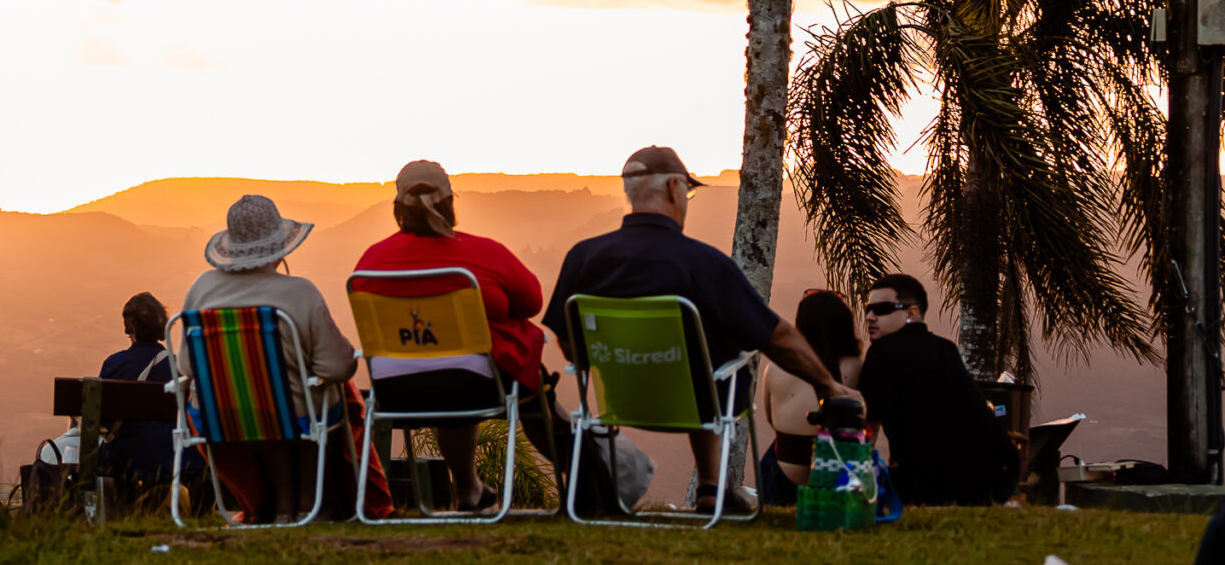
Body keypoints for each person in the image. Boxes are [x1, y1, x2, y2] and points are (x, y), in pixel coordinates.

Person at [546, 147, 857, 515]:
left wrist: (614, 359)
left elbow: (566, 341)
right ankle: (712, 485)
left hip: (618, 398)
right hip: (695, 402)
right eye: (688, 192)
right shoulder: (703, 262)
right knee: (720, 362)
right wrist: (829, 387)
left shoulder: (583, 257)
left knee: (701, 359)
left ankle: (709, 489)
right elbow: (777, 336)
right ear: (675, 188)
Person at [353, 160, 554, 512]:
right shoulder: (483, 253)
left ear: (398, 209)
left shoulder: (371, 262)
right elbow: (532, 302)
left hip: (396, 390)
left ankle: (469, 491)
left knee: (451, 369)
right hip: (473, 386)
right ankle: (583, 482)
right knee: (475, 367)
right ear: (449, 202)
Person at [181, 194, 391, 521]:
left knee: (270, 408)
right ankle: (311, 504)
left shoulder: (201, 290)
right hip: (293, 415)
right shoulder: (299, 292)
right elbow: (338, 366)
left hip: (221, 415)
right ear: (280, 251)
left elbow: (185, 367)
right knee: (324, 397)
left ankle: (277, 506)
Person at [855, 273, 1019, 506]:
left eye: (881, 309)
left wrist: (852, 483)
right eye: (867, 308)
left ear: (911, 313)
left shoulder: (882, 353)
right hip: (997, 474)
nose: (870, 317)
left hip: (939, 485)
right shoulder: (945, 348)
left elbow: (868, 430)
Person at [759, 291, 864, 505]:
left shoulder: (776, 368)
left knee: (776, 445)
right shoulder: (857, 367)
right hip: (839, 471)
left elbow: (771, 420)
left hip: (785, 478)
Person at [94, 293, 176, 495]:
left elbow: (102, 420)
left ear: (128, 327)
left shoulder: (114, 364)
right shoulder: (178, 366)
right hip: (169, 458)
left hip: (122, 458)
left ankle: (128, 510)